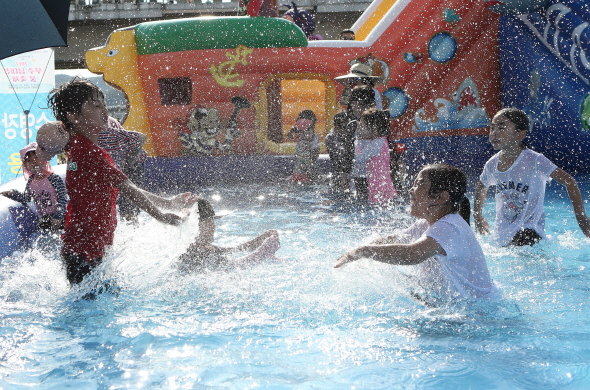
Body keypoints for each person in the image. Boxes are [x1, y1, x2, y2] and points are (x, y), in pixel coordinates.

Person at [43, 77, 198, 285]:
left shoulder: (79, 147)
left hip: (82, 248)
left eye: (104, 104)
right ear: (73, 116)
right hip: (87, 253)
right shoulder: (91, 154)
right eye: (95, 106)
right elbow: (129, 189)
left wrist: (169, 203)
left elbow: (126, 187)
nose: (104, 110)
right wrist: (161, 215)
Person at [335, 164, 500, 303]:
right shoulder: (426, 224)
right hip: (462, 305)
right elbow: (396, 239)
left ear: (441, 197)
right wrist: (361, 247)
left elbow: (412, 254)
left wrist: (363, 251)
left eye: (419, 184)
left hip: (482, 313)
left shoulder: (450, 226)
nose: (410, 190)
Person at [474, 108, 590, 246]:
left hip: (530, 229)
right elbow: (482, 186)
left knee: (524, 240)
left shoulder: (535, 160)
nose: (494, 133)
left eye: (501, 128)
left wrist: (580, 215)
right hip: (503, 232)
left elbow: (569, 181)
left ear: (520, 135)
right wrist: (477, 215)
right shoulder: (492, 164)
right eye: (492, 128)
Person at [177, 198, 281, 273]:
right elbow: (237, 266)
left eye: (212, 221)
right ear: (195, 225)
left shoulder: (202, 247)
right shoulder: (196, 253)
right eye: (209, 222)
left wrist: (262, 239)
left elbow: (237, 249)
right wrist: (264, 251)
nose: (213, 226)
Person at [0, 138, 68, 233]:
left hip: (60, 218)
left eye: (36, 157)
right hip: (45, 219)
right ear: (25, 166)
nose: (34, 161)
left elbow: (63, 198)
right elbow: (26, 198)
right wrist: (12, 194)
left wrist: (58, 216)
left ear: (45, 160)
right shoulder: (31, 181)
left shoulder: (53, 178)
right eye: (29, 160)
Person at [99, 116, 148, 221]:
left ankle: (131, 224)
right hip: (123, 160)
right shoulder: (96, 124)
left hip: (134, 162)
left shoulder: (102, 128)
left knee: (129, 204)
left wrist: (129, 163)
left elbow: (140, 138)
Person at [350, 108, 397, 204]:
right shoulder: (381, 140)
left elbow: (359, 158)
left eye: (362, 125)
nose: (359, 127)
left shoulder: (377, 143)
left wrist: (357, 142)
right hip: (381, 185)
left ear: (374, 127)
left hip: (378, 187)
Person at [287, 110, 320, 183]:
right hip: (301, 173)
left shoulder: (314, 138)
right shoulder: (302, 142)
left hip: (306, 171)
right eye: (304, 131)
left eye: (310, 130)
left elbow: (315, 155)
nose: (305, 134)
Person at [325, 111, 354, 193]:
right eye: (343, 128)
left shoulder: (350, 133)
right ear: (336, 127)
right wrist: (344, 176)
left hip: (350, 170)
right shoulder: (330, 137)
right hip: (339, 172)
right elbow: (336, 158)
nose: (346, 131)